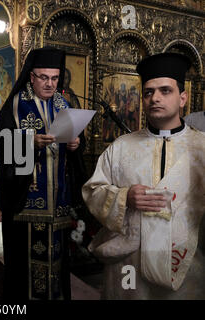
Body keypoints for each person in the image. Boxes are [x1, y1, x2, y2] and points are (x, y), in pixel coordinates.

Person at [82, 52, 205, 299]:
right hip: (129, 267)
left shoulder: (202, 147)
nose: (155, 98)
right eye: (148, 92)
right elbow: (92, 191)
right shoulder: (121, 146)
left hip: (186, 267)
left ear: (183, 98)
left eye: (165, 91)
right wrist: (124, 197)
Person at [0, 47, 87, 300]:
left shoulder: (63, 104)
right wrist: (28, 144)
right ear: (32, 77)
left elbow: (78, 142)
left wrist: (76, 145)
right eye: (44, 78)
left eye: (55, 78)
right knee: (24, 270)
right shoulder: (15, 107)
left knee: (56, 265)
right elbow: (1, 148)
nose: (50, 84)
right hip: (25, 205)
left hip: (57, 203)